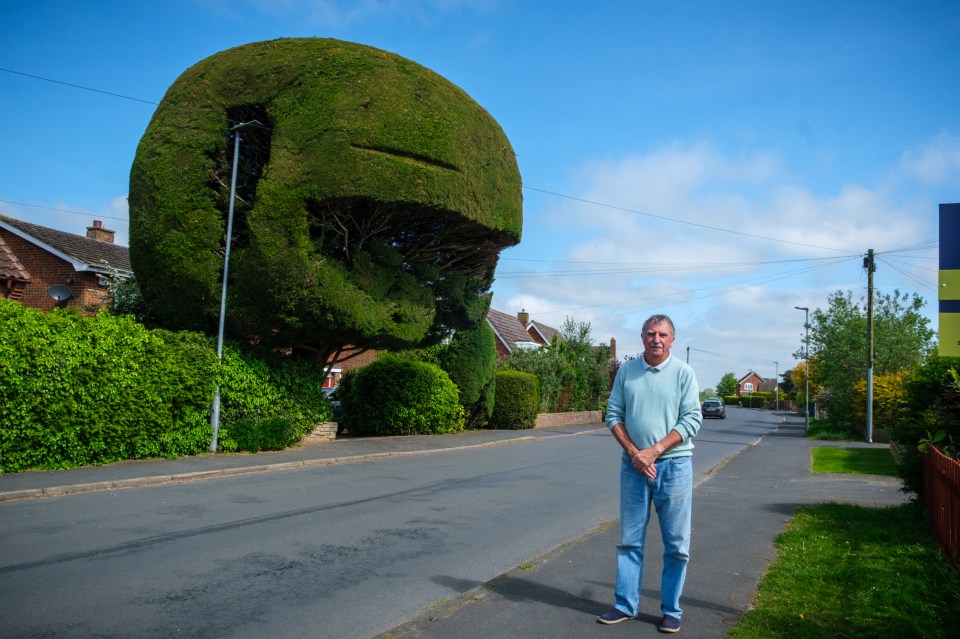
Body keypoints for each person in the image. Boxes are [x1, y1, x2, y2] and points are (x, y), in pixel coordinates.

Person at [597, 314, 702, 634]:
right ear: (642, 337)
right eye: (651, 334)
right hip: (633, 468)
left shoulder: (684, 373)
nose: (657, 339)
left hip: (675, 466)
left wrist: (653, 451)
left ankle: (671, 610)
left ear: (672, 339)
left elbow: (692, 420)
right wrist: (634, 453)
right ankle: (625, 605)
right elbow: (613, 415)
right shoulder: (627, 372)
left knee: (677, 544)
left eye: (663, 334)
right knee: (630, 540)